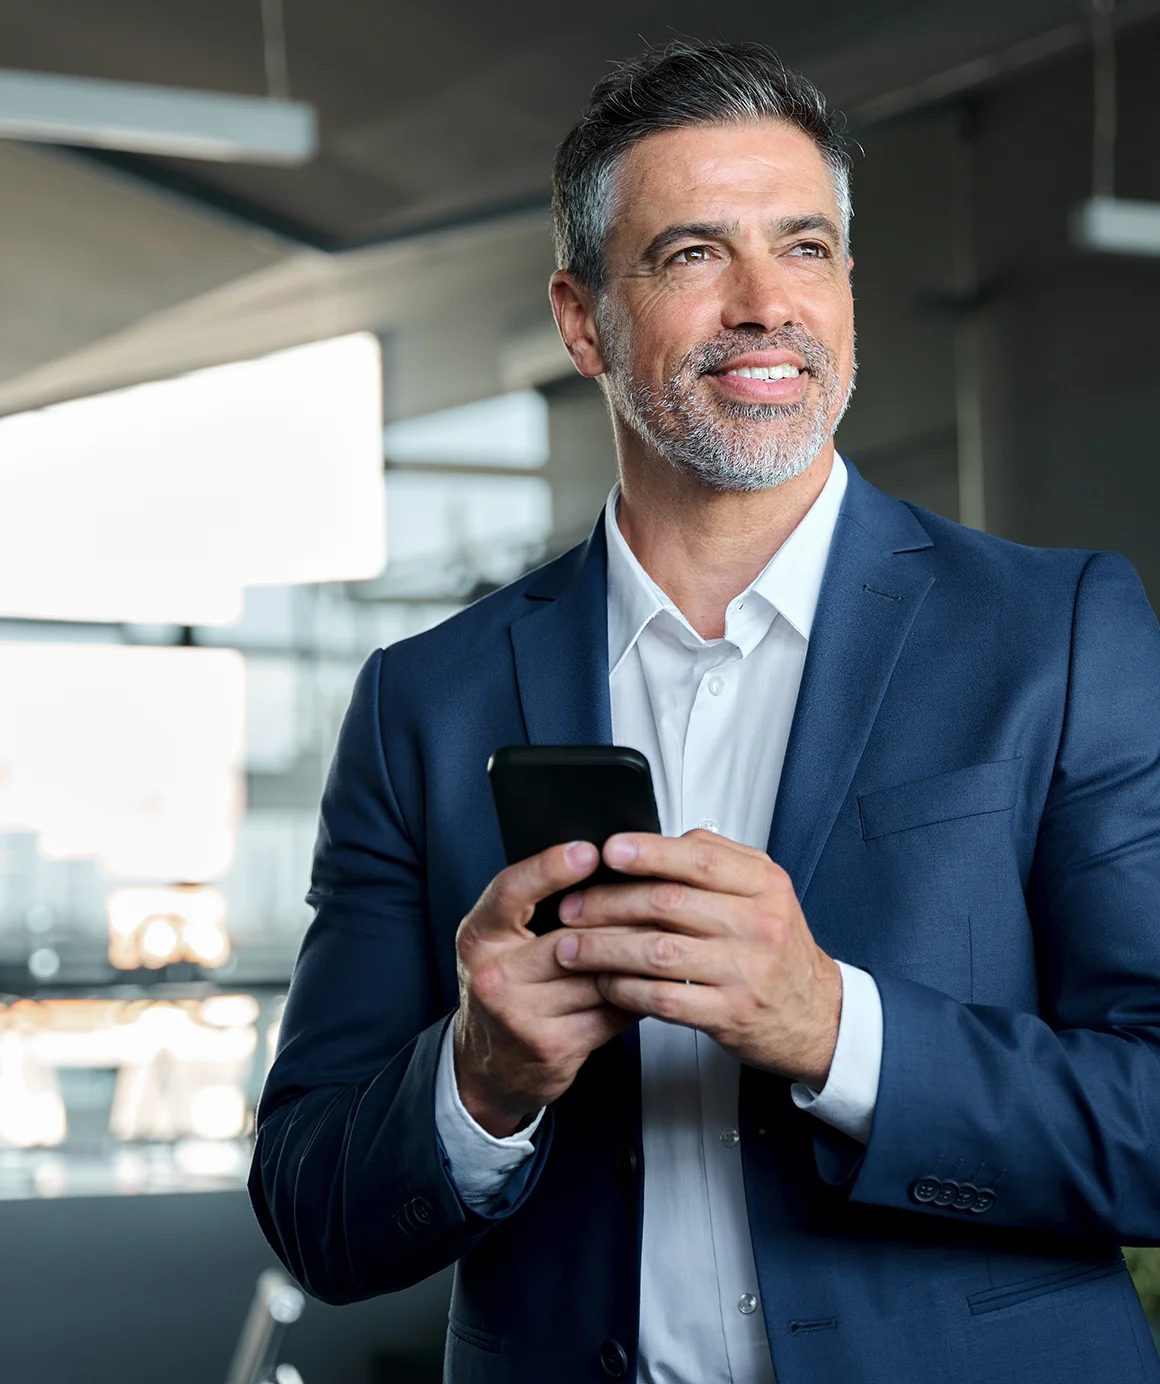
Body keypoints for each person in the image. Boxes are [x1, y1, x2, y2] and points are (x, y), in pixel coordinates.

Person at [249, 39, 1160, 1384]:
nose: (763, 303)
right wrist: (479, 1080)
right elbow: (315, 1211)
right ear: (581, 319)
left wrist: (833, 1028)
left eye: (804, 247)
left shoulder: (1059, 634)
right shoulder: (424, 703)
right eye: (691, 255)